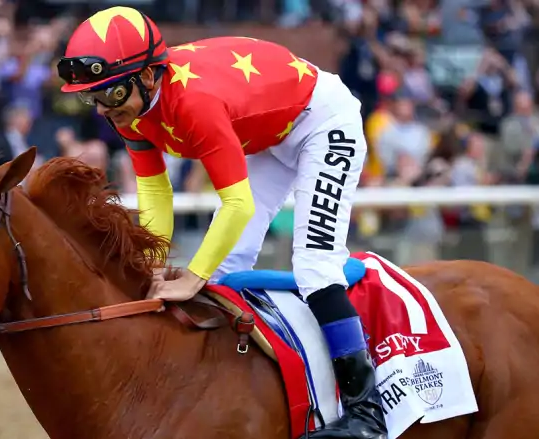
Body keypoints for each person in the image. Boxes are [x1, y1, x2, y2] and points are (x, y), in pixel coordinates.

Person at [56, 6, 385, 439]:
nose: (101, 109)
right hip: (268, 132)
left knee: (313, 265)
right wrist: (154, 263)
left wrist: (192, 274)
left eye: (110, 94)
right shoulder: (131, 107)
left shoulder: (192, 102)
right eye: (91, 97)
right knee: (226, 270)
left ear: (149, 77)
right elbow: (155, 191)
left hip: (321, 122)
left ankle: (367, 414)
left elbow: (238, 205)